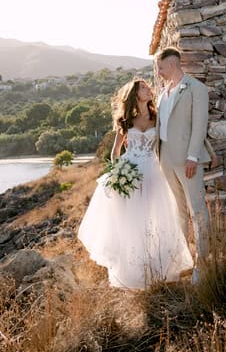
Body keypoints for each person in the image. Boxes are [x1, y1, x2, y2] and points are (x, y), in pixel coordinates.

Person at [78, 78, 193, 289]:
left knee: (155, 220)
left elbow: (166, 144)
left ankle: (160, 271)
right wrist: (119, 173)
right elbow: (115, 153)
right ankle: (134, 274)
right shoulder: (125, 121)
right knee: (132, 224)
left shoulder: (158, 118)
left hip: (153, 173)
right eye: (144, 88)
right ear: (135, 94)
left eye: (149, 87)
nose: (149, 89)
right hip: (130, 174)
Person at [155, 48, 211, 285]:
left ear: (172, 64)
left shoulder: (196, 89)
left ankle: (203, 263)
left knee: (197, 209)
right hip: (165, 158)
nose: (157, 72)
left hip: (188, 160)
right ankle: (183, 259)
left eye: (160, 67)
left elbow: (199, 125)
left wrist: (193, 157)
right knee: (178, 210)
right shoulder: (162, 93)